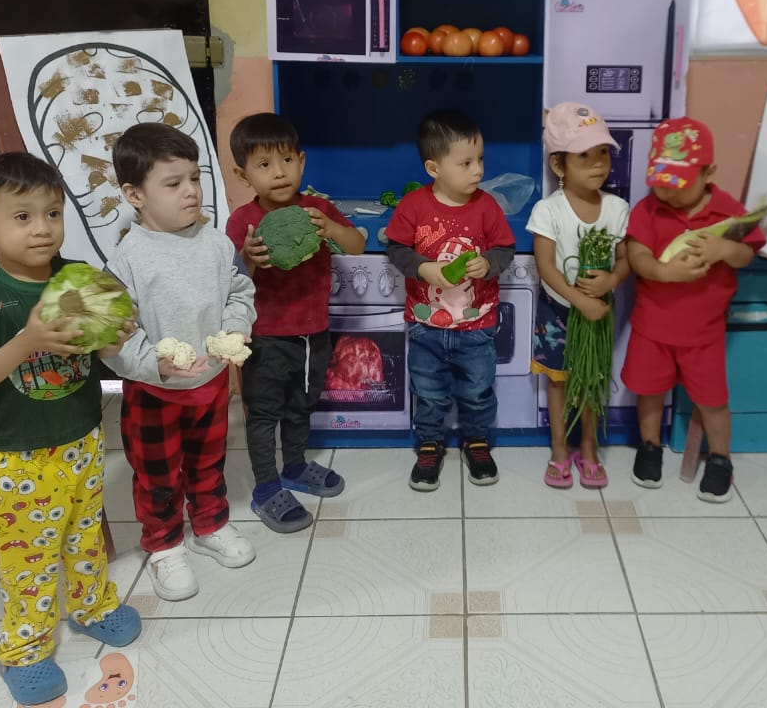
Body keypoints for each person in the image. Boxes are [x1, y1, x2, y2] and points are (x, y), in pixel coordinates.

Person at [0, 153, 140, 706]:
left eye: (52, 213)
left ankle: (91, 605)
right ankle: (25, 649)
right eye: (22, 216)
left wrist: (115, 334)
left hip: (83, 435)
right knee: (28, 558)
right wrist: (27, 341)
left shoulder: (75, 276)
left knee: (85, 534)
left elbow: (102, 352)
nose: (42, 228)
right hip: (22, 456)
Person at [102, 122, 258, 602]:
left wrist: (236, 328)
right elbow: (113, 336)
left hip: (211, 383)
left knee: (208, 462)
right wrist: (154, 364)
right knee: (158, 476)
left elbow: (240, 292)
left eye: (195, 178)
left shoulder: (216, 243)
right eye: (173, 184)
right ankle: (164, 545)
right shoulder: (127, 260)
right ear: (135, 194)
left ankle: (210, 525)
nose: (191, 191)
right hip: (155, 393)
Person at [225, 112, 365, 533]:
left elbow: (357, 246)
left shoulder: (318, 209)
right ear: (243, 174)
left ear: (301, 161)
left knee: (302, 405)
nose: (279, 172)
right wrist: (248, 257)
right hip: (264, 338)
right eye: (264, 164)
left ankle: (296, 466)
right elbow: (230, 281)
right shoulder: (242, 222)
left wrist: (334, 229)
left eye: (287, 160)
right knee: (264, 414)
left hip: (314, 333)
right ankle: (266, 488)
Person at [623, 117, 765, 502]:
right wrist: (664, 272)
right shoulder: (648, 209)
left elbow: (746, 254)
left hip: (704, 332)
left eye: (679, 183)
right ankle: (649, 447)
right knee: (649, 392)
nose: (668, 191)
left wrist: (725, 249)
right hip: (652, 326)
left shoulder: (726, 211)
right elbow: (637, 255)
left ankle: (720, 459)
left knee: (713, 400)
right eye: (661, 182)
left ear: (708, 173)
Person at [385, 109, 516, 491]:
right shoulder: (413, 206)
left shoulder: (487, 207)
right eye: (466, 163)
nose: (478, 170)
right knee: (428, 391)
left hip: (477, 326)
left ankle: (477, 442)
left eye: (480, 160)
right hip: (425, 325)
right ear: (434, 168)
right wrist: (423, 268)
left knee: (477, 390)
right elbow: (396, 249)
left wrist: (488, 264)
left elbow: (505, 249)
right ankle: (429, 444)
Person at [527, 102, 630, 489]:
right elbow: (546, 268)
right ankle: (559, 449)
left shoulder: (617, 209)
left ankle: (588, 447)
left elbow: (625, 259)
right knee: (559, 383)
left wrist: (610, 281)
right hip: (557, 313)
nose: (598, 163)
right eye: (584, 155)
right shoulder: (548, 210)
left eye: (603, 152)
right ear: (559, 165)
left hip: (598, 311)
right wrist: (580, 299)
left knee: (591, 380)